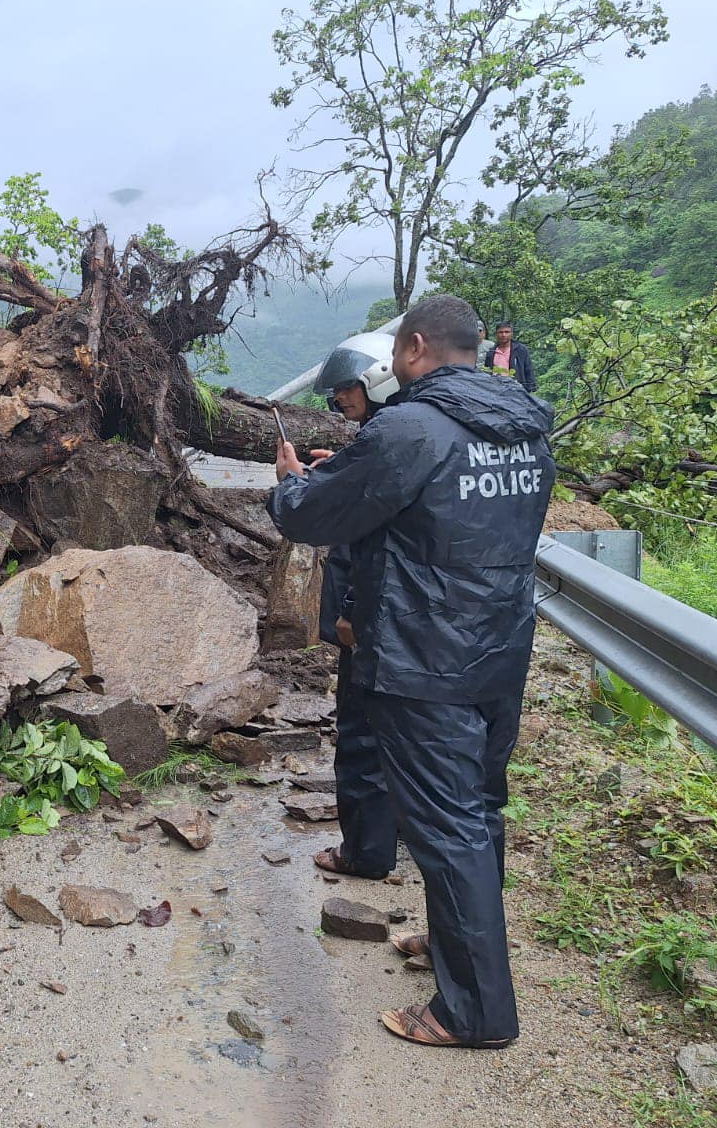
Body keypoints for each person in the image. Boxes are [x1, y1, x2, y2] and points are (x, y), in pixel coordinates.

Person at [266, 294, 556, 1049]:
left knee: (446, 824)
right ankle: (458, 950)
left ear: (417, 347)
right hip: (500, 647)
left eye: (397, 351)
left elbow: (308, 516)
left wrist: (292, 481)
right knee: (479, 808)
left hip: (427, 656)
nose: (393, 365)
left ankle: (474, 1013)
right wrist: (359, 472)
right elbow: (452, 511)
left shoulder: (408, 427)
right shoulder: (525, 423)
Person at [307, 331, 400, 881]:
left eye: (345, 388)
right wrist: (344, 466)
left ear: (377, 381)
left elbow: (369, 547)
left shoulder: (388, 439)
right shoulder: (394, 437)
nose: (337, 399)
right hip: (408, 622)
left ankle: (364, 851)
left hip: (370, 619)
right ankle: (398, 831)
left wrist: (349, 611)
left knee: (362, 728)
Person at [483, 322, 536, 392]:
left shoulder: (520, 350)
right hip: (496, 390)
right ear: (496, 334)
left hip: (517, 389)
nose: (503, 335)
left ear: (511, 334)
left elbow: (528, 369)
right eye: (500, 332)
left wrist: (530, 388)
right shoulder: (491, 352)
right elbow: (487, 371)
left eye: (507, 332)